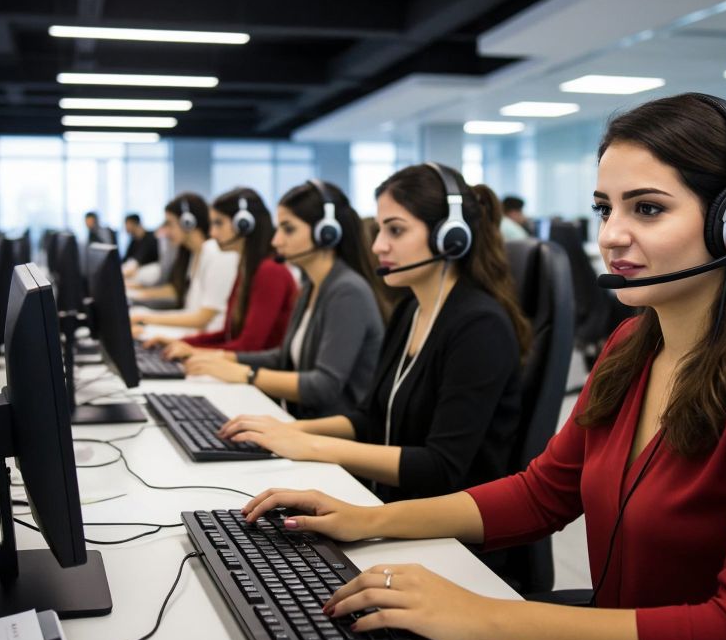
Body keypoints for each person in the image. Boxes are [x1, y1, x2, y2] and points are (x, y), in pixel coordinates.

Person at [237, 94, 726, 640]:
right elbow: (543, 495)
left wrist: (484, 615)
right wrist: (368, 522)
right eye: (605, 208)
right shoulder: (633, 347)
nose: (612, 234)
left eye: (647, 208)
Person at [216, 163, 531, 506]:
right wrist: (288, 431)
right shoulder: (410, 311)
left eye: (395, 231)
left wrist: (313, 446)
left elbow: (441, 467)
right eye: (380, 230)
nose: (378, 245)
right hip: (393, 506)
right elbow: (370, 418)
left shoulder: (479, 327)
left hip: (448, 532)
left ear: (450, 237)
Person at [184, 180, 388, 419]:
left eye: (288, 229)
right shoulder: (313, 285)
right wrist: (224, 358)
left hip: (331, 439)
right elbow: (284, 357)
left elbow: (324, 386)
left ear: (326, 233)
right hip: (301, 425)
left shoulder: (347, 292)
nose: (276, 240)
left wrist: (245, 374)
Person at [146, 188, 297, 354]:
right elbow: (227, 335)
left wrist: (192, 351)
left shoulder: (270, 271)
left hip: (256, 372)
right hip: (240, 366)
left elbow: (248, 347)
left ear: (244, 225)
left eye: (219, 223)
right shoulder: (247, 268)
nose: (212, 233)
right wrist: (180, 342)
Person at [131, 193, 237, 332]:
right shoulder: (194, 254)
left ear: (188, 223)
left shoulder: (215, 253)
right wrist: (145, 316)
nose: (166, 232)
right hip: (193, 331)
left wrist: (146, 319)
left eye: (169, 224)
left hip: (203, 336)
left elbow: (202, 319)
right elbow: (189, 308)